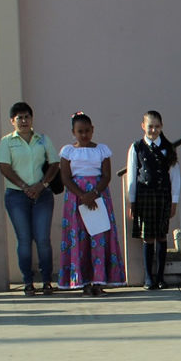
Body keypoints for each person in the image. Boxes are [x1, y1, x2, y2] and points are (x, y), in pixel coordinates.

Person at [0, 101, 59, 296]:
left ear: (32, 119)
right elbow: (4, 167)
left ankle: (47, 280)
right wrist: (24, 187)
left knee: (42, 239)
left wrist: (42, 185)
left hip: (43, 195)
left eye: (27, 117)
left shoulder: (43, 139)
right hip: (17, 195)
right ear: (12, 121)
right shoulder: (7, 142)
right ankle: (28, 281)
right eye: (19, 118)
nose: (23, 121)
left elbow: (54, 164)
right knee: (24, 239)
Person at [59, 112, 125, 296]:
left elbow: (106, 175)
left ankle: (99, 280)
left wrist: (94, 193)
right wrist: (82, 195)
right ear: (73, 132)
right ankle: (84, 281)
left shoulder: (102, 150)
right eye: (80, 131)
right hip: (76, 199)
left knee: (98, 237)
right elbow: (65, 176)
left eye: (87, 130)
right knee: (80, 238)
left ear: (93, 129)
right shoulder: (68, 151)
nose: (84, 135)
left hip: (98, 197)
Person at [125, 110, 181, 291]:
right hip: (144, 196)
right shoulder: (136, 147)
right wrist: (132, 201)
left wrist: (174, 201)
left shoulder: (168, 148)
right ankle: (148, 278)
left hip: (163, 196)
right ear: (143, 126)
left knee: (161, 235)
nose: (153, 130)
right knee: (147, 237)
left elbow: (175, 176)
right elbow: (132, 176)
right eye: (150, 126)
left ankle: (160, 277)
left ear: (161, 127)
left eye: (157, 126)